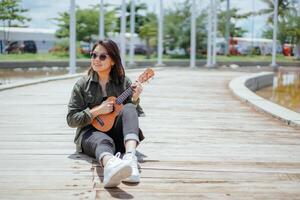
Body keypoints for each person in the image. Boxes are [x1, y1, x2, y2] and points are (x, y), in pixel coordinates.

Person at [67, 39, 145, 188]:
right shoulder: (82, 85)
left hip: (117, 134)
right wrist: (97, 111)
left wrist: (135, 98)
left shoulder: (123, 83)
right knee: (103, 141)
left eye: (102, 57)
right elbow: (71, 119)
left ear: (113, 61)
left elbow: (132, 116)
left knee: (129, 108)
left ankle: (130, 158)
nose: (96, 60)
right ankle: (110, 166)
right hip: (90, 133)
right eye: (93, 55)